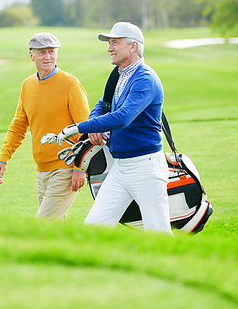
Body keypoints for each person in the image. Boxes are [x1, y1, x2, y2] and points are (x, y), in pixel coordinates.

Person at [56, 22, 172, 234]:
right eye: (109, 43)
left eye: (115, 43)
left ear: (133, 46)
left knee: (159, 233)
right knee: (94, 228)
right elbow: (102, 104)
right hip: (121, 167)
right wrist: (93, 126)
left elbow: (122, 118)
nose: (109, 48)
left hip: (145, 166)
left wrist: (77, 128)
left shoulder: (145, 78)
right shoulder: (119, 74)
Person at [0, 32, 90, 221]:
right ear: (32, 55)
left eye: (51, 52)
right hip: (41, 170)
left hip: (67, 167)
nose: (48, 57)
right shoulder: (27, 85)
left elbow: (86, 128)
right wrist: (3, 159)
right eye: (42, 52)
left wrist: (80, 168)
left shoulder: (71, 84)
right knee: (54, 230)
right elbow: (18, 126)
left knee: (43, 223)